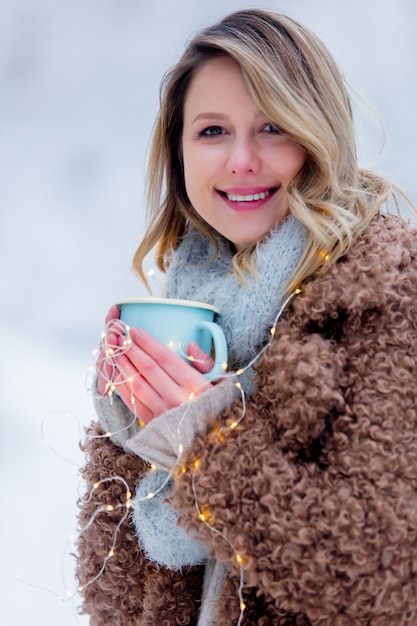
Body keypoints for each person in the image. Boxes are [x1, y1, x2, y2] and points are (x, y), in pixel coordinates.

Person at [76, 8, 417, 626]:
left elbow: (384, 575)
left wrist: (205, 441)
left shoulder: (388, 295)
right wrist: (128, 432)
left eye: (272, 127)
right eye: (211, 131)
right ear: (178, 152)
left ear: (318, 138)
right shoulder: (183, 301)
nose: (241, 160)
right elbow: (121, 590)